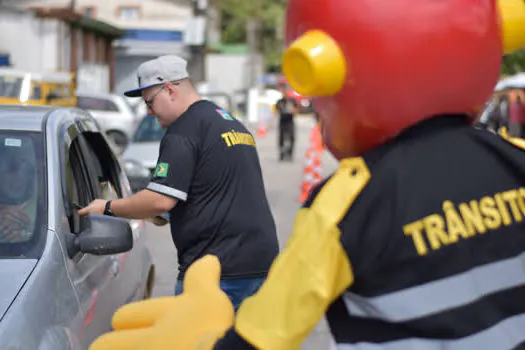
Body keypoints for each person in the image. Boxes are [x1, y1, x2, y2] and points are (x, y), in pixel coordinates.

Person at [89, 0, 525, 349]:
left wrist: (204, 341)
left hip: (219, 268)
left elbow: (264, 337)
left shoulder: (347, 203)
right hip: (255, 259)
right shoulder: (514, 159)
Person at [79, 55, 279, 310]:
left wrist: (106, 207)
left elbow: (159, 199)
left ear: (170, 89)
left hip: (216, 272)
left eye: (150, 102)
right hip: (261, 264)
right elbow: (220, 190)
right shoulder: (228, 123)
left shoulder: (183, 131)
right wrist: (174, 214)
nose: (149, 112)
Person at [0, 143, 36, 243]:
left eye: (26, 168)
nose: (18, 176)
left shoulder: (47, 209)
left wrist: (25, 238)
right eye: (11, 169)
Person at [274, 84, 298, 161]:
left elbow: (296, 110)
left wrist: (293, 110)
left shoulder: (292, 101)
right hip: (282, 121)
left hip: (290, 121)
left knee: (291, 137)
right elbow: (276, 110)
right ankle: (281, 154)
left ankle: (290, 154)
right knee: (281, 138)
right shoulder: (280, 101)